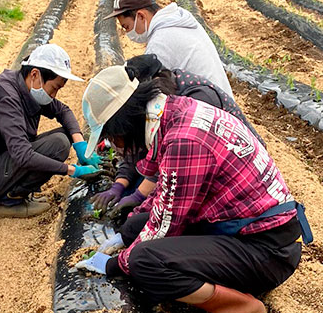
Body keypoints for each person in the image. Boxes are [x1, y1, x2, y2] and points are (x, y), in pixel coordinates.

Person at [78, 66, 312, 313]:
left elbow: (165, 228)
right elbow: (166, 190)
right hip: (245, 231)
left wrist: (114, 265)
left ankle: (241, 311)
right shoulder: (175, 112)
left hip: (267, 251)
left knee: (144, 261)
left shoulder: (184, 140)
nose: (116, 146)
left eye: (111, 138)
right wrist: (125, 231)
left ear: (123, 125)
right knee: (136, 226)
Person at [91, 54, 266, 215]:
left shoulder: (195, 98)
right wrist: (118, 186)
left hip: (235, 177)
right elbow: (138, 150)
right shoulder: (152, 116)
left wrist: (139, 198)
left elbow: (181, 163)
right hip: (190, 167)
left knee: (149, 209)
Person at [0, 43, 101, 218]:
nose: (54, 95)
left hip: (0, 160)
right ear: (35, 74)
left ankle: (16, 191)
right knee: (59, 144)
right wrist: (72, 170)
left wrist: (80, 144)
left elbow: (63, 111)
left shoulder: (26, 86)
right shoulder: (7, 98)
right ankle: (10, 200)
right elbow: (22, 155)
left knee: (66, 135)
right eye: (54, 88)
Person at [106, 0, 234, 99]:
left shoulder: (161, 41)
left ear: (141, 16)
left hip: (209, 112)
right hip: (224, 104)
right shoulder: (179, 19)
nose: (128, 33)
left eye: (126, 27)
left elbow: (150, 92)